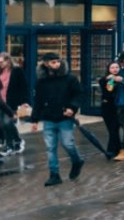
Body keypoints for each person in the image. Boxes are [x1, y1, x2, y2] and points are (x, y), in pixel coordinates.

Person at [29, 54, 85, 187]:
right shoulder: (41, 81)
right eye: (53, 62)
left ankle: (76, 161)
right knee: (50, 148)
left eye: (58, 61)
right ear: (46, 64)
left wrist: (72, 108)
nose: (56, 64)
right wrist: (34, 120)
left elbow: (79, 94)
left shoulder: (70, 78)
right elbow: (38, 101)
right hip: (48, 118)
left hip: (65, 117)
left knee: (68, 144)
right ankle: (54, 175)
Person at [0, 52, 26, 155]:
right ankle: (11, 144)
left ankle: (15, 142)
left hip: (12, 101)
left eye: (1, 62)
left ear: (8, 61)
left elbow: (23, 87)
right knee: (3, 125)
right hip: (0, 101)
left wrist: (24, 102)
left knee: (6, 122)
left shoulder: (17, 71)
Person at [98, 62, 123, 158]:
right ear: (108, 69)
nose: (115, 69)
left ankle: (112, 150)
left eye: (117, 67)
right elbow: (108, 90)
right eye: (112, 67)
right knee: (111, 129)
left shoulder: (122, 79)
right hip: (107, 107)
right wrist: (111, 79)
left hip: (118, 107)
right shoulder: (104, 80)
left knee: (115, 129)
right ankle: (116, 149)